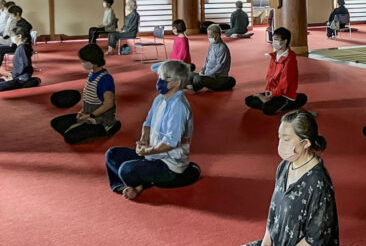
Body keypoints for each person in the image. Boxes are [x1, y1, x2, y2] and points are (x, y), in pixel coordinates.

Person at [217, 110, 350, 246]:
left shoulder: (318, 183)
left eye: (287, 138)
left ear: (305, 143)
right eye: (280, 137)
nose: (281, 143)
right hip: (278, 245)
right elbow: (275, 209)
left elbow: (315, 238)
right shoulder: (284, 166)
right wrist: (266, 242)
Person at [105, 60, 197, 200]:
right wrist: (143, 141)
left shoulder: (179, 107)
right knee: (112, 154)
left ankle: (141, 184)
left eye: (163, 78)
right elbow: (147, 124)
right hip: (152, 155)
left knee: (126, 169)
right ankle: (127, 186)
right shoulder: (160, 99)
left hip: (169, 165)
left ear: (176, 83)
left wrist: (146, 151)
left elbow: (170, 143)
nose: (159, 81)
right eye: (159, 77)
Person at [51, 43, 120, 143]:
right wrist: (82, 111)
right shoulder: (93, 73)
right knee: (56, 123)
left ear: (93, 61)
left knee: (70, 137)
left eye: (84, 61)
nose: (82, 63)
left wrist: (90, 116)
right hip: (89, 115)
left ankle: (110, 127)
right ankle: (80, 126)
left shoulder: (105, 79)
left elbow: (109, 104)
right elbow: (89, 99)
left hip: (100, 120)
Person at [246, 27, 308, 115]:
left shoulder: (290, 59)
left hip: (284, 94)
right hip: (272, 92)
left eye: (276, 39)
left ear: (285, 41)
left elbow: (285, 83)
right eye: (273, 39)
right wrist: (268, 90)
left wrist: (271, 95)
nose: (273, 41)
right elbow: (269, 76)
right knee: (248, 100)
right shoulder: (274, 56)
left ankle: (291, 101)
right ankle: (268, 102)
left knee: (268, 109)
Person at [190, 24, 236, 92]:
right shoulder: (212, 45)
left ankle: (191, 86)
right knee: (189, 74)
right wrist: (203, 70)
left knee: (199, 79)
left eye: (210, 35)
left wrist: (206, 74)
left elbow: (219, 66)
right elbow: (207, 59)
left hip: (217, 78)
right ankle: (191, 83)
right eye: (208, 34)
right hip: (207, 74)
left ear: (217, 35)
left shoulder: (222, 47)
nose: (208, 37)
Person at [0, 27, 34, 92]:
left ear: (19, 36)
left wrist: (13, 77)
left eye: (13, 36)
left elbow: (24, 66)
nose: (12, 38)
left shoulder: (22, 48)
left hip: (21, 78)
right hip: (19, 76)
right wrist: (11, 74)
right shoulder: (21, 47)